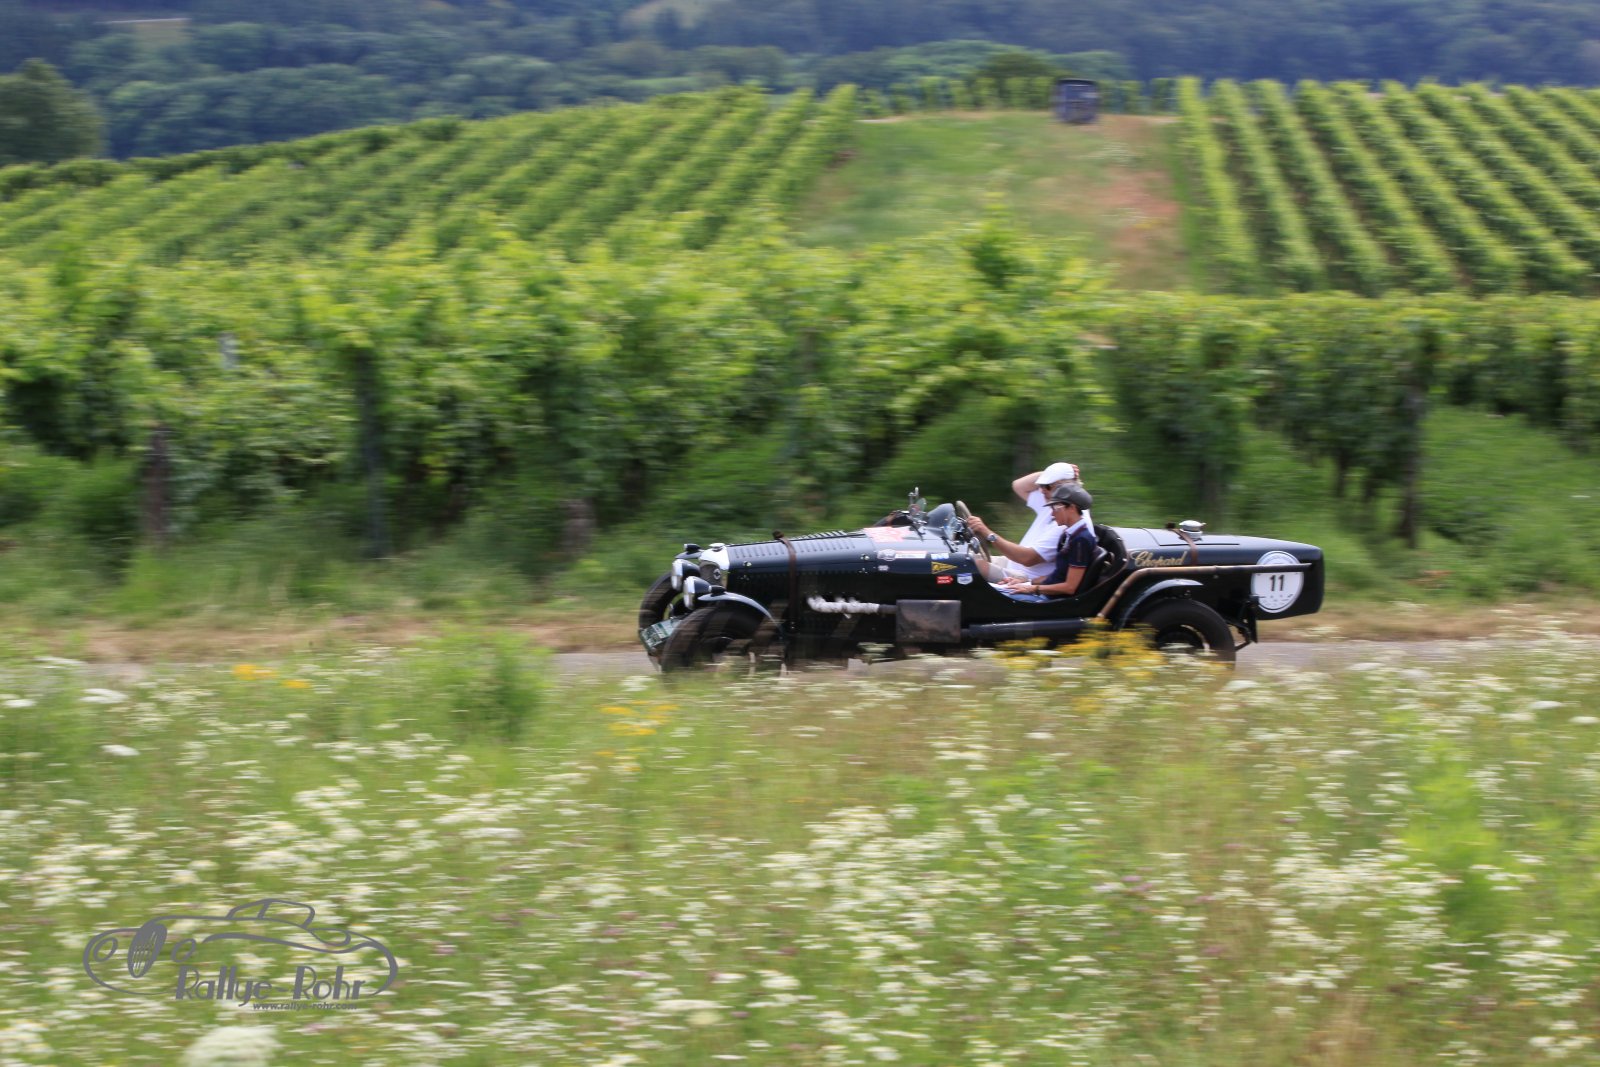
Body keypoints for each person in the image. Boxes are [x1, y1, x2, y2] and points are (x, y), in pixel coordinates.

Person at [967, 462, 1088, 583]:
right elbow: (1018, 485)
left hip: (1024, 577)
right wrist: (1053, 473)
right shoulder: (1055, 503)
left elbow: (1027, 558)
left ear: (1065, 488)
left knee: (967, 565)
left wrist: (987, 533)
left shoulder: (1068, 521)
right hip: (1013, 564)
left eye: (1046, 486)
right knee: (964, 557)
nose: (1041, 490)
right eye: (1041, 485)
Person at [997, 485, 1098, 600]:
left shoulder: (1080, 540)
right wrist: (1027, 582)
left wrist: (1033, 589)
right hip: (1045, 591)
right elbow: (1059, 575)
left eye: (1056, 508)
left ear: (1072, 508)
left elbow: (1070, 587)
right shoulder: (1068, 535)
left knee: (998, 598)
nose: (1052, 514)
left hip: (1052, 599)